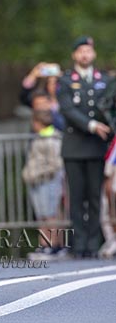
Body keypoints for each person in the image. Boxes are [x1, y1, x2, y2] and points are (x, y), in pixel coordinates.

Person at [57, 36, 112, 258]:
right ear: (74, 55)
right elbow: (68, 109)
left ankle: (93, 242)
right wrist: (91, 125)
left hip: (97, 147)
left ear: (94, 54)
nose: (85, 55)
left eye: (88, 51)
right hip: (74, 147)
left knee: (95, 197)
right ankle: (79, 244)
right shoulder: (66, 80)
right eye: (81, 51)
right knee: (77, 197)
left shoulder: (104, 79)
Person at [23, 109, 66, 259]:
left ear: (37, 122)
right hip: (37, 181)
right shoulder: (40, 136)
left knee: (50, 215)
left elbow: (56, 163)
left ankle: (54, 246)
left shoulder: (52, 137)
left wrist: (37, 173)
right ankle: (44, 245)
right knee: (42, 215)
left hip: (48, 180)